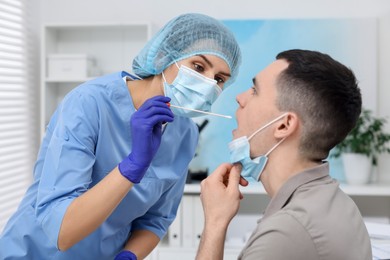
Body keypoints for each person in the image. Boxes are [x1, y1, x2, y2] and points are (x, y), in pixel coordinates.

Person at [0, 13, 241, 260]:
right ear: (166, 57)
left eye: (219, 79)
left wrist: (130, 255)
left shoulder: (185, 135)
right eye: (198, 67)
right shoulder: (88, 104)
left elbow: (156, 220)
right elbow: (61, 230)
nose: (208, 83)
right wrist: (133, 165)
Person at [196, 49, 372, 260]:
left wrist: (215, 222)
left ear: (284, 125)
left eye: (254, 90)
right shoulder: (338, 203)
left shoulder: (286, 233)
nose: (240, 98)